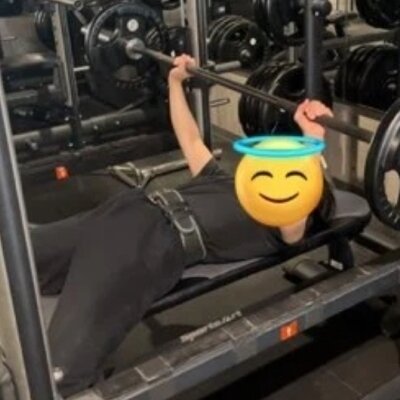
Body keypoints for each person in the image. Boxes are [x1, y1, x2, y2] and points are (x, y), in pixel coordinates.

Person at [32, 55, 335, 396]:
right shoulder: (232, 181)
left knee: (57, 374)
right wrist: (175, 83)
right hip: (123, 210)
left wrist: (312, 142)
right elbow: (190, 139)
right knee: (16, 257)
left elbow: (296, 205)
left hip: (148, 243)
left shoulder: (282, 221)